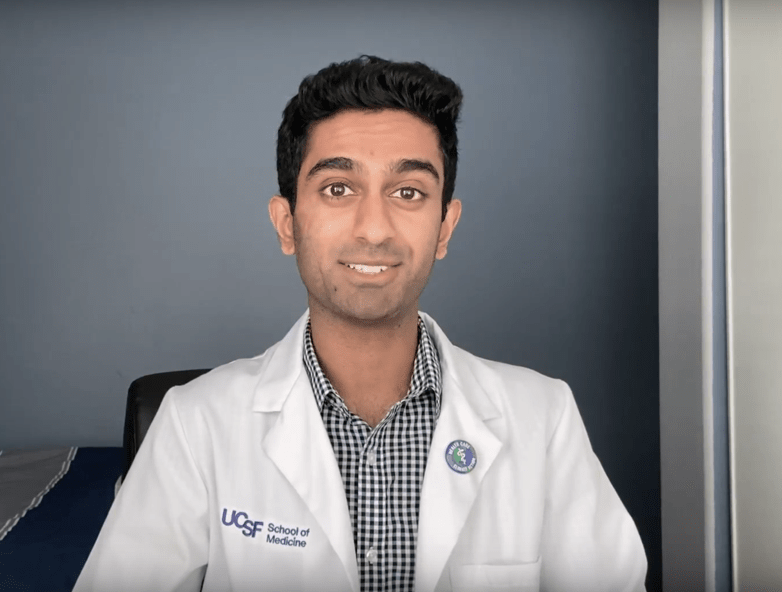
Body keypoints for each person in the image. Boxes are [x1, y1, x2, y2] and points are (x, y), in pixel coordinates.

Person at [74, 55, 647, 592]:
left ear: (445, 227)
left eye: (408, 191)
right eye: (338, 188)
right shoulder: (193, 425)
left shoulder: (543, 419)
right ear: (287, 224)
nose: (374, 228)